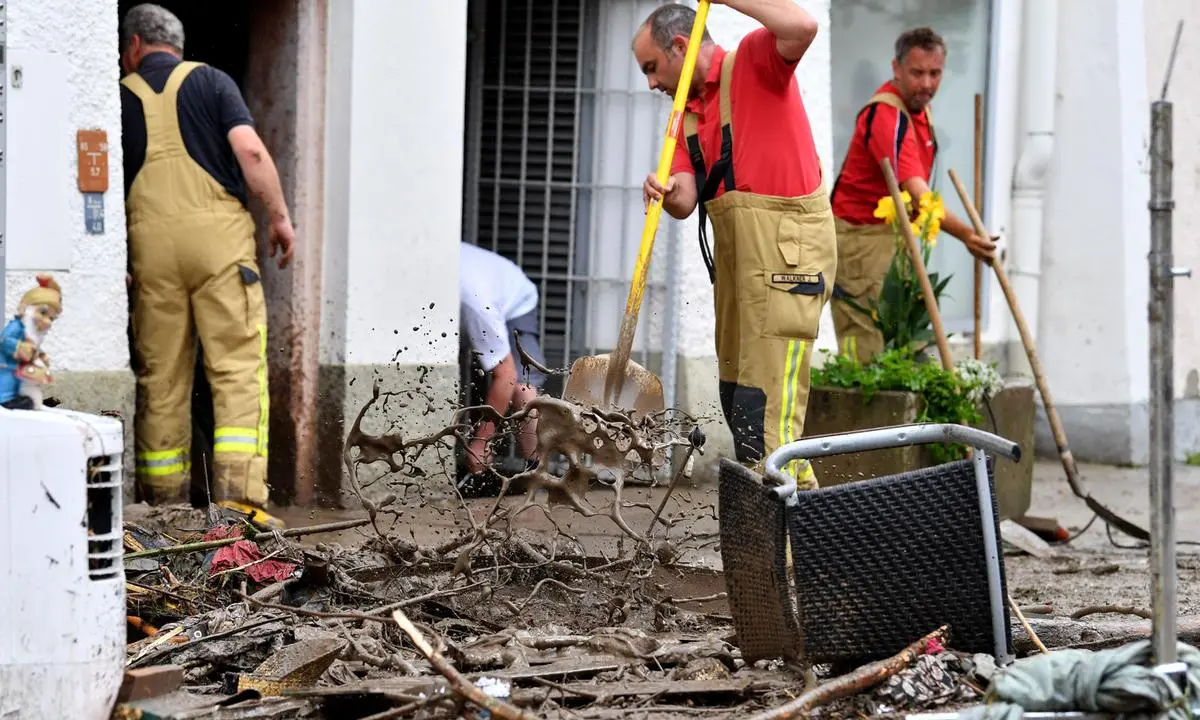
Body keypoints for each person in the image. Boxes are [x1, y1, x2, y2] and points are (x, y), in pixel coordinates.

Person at [634, 0, 831, 489]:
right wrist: (664, 192)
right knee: (741, 399)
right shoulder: (685, 115)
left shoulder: (754, 60)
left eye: (653, 67)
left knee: (771, 416)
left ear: (680, 45)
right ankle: (790, 539)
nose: (651, 83)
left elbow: (803, 26)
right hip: (738, 261)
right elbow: (684, 197)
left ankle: (788, 550)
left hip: (787, 256)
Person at [119, 3, 295, 529]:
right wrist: (280, 219)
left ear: (132, 46)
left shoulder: (117, 96)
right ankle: (240, 500)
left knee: (163, 376)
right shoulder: (212, 81)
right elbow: (252, 153)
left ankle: (164, 507)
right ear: (175, 44)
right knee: (237, 367)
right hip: (219, 248)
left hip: (149, 247)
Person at [829, 27, 997, 363]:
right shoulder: (888, 116)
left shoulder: (918, 110)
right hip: (860, 243)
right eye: (917, 73)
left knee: (905, 339)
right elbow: (920, 196)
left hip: (893, 237)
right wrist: (967, 234)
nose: (927, 84)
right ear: (896, 68)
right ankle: (859, 413)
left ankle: (912, 413)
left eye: (935, 73)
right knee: (867, 348)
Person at [459, 242, 547, 473]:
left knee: (521, 385)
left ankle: (536, 470)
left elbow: (507, 375)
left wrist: (481, 443)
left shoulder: (476, 304)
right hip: (487, 283)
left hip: (514, 299)